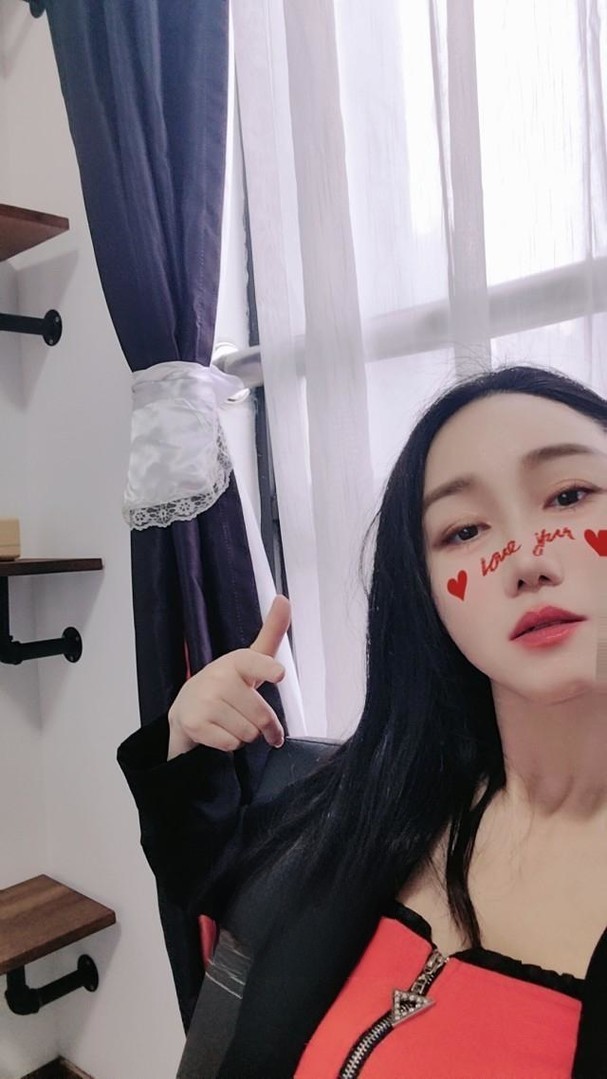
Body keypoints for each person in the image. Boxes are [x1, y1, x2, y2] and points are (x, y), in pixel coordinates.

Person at [118, 363, 607, 1078]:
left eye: (569, 495)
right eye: (464, 530)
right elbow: (225, 881)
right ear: (425, 596)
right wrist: (187, 744)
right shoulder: (386, 789)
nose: (526, 559)